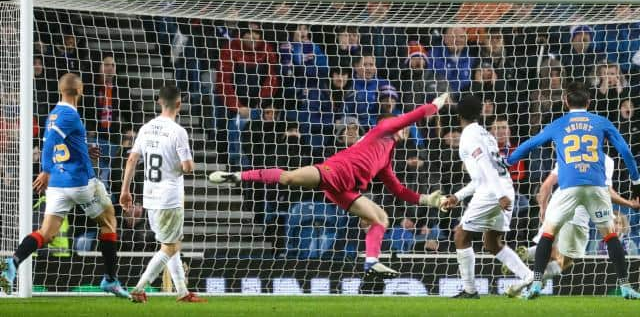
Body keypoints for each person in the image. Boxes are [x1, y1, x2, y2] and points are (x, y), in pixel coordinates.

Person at [209, 93, 450, 278]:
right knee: (290, 178)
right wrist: (437, 103)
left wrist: (427, 199)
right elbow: (416, 114)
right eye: (402, 124)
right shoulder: (383, 129)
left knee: (381, 218)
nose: (406, 128)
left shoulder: (387, 156)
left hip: (346, 191)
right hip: (335, 172)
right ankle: (238, 176)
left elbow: (398, 190)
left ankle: (371, 262)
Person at [505, 81, 640, 299]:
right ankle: (625, 286)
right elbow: (625, 151)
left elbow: (531, 143)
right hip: (596, 186)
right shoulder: (601, 121)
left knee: (548, 233)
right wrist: (636, 182)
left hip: (568, 187)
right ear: (589, 102)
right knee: (611, 235)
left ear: (565, 101)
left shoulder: (559, 123)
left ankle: (536, 284)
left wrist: (509, 160)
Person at [0, 73, 128, 298]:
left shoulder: (54, 114)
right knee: (109, 220)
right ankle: (110, 279)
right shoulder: (69, 115)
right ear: (80, 90)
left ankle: (13, 262)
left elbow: (62, 144)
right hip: (79, 182)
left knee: (46, 232)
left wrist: (84, 151)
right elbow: (50, 143)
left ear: (61, 90)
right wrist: (46, 169)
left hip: (58, 185)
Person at [439, 95, 534, 299]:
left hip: (494, 191)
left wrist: (499, 195)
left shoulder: (468, 136)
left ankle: (470, 290)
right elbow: (480, 176)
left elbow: (484, 165)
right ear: (479, 113)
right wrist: (457, 196)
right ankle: (527, 276)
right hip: (504, 187)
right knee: (492, 242)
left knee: (460, 235)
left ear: (458, 115)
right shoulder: (486, 135)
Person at [120, 85, 205, 303]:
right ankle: (139, 288)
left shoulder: (146, 128)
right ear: (179, 105)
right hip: (169, 197)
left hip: (150, 197)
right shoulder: (178, 132)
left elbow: (132, 160)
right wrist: (186, 164)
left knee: (170, 242)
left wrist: (125, 190)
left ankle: (182, 291)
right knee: (171, 246)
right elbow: (187, 167)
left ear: (159, 102)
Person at [517, 155, 640, 289]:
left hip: (558, 204)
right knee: (567, 258)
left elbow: (546, 185)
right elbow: (607, 192)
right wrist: (629, 203)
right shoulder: (606, 161)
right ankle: (527, 281)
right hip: (579, 213)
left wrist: (543, 207)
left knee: (549, 246)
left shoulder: (568, 153)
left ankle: (528, 256)